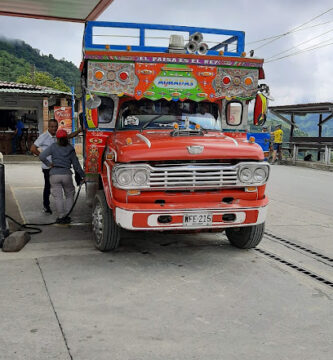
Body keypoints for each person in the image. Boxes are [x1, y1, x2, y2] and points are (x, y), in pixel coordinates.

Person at [30, 119, 81, 214]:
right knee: (48, 187)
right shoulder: (43, 137)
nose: (53, 128)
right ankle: (46, 206)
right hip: (48, 167)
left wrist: (79, 130)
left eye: (55, 127)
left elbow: (69, 136)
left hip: (59, 168)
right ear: (48, 127)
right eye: (51, 127)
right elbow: (33, 148)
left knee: (59, 190)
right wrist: (47, 162)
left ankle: (61, 212)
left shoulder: (59, 136)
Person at [39, 129, 85, 224]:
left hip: (54, 174)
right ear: (66, 138)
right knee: (69, 195)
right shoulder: (70, 148)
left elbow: (42, 156)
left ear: (57, 139)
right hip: (66, 175)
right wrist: (83, 176)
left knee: (58, 197)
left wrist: (49, 164)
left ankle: (61, 216)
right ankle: (67, 216)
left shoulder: (53, 147)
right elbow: (76, 165)